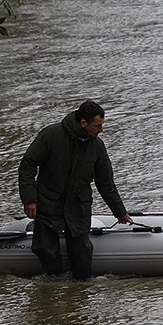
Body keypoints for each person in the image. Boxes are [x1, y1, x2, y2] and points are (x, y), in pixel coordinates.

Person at [18, 100, 133, 280]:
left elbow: (106, 182)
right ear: (83, 123)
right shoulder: (51, 135)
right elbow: (27, 166)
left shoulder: (97, 147)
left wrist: (119, 211)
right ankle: (55, 283)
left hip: (78, 206)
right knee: (45, 249)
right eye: (97, 126)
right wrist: (29, 199)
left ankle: (79, 293)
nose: (101, 130)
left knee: (82, 252)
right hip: (48, 203)